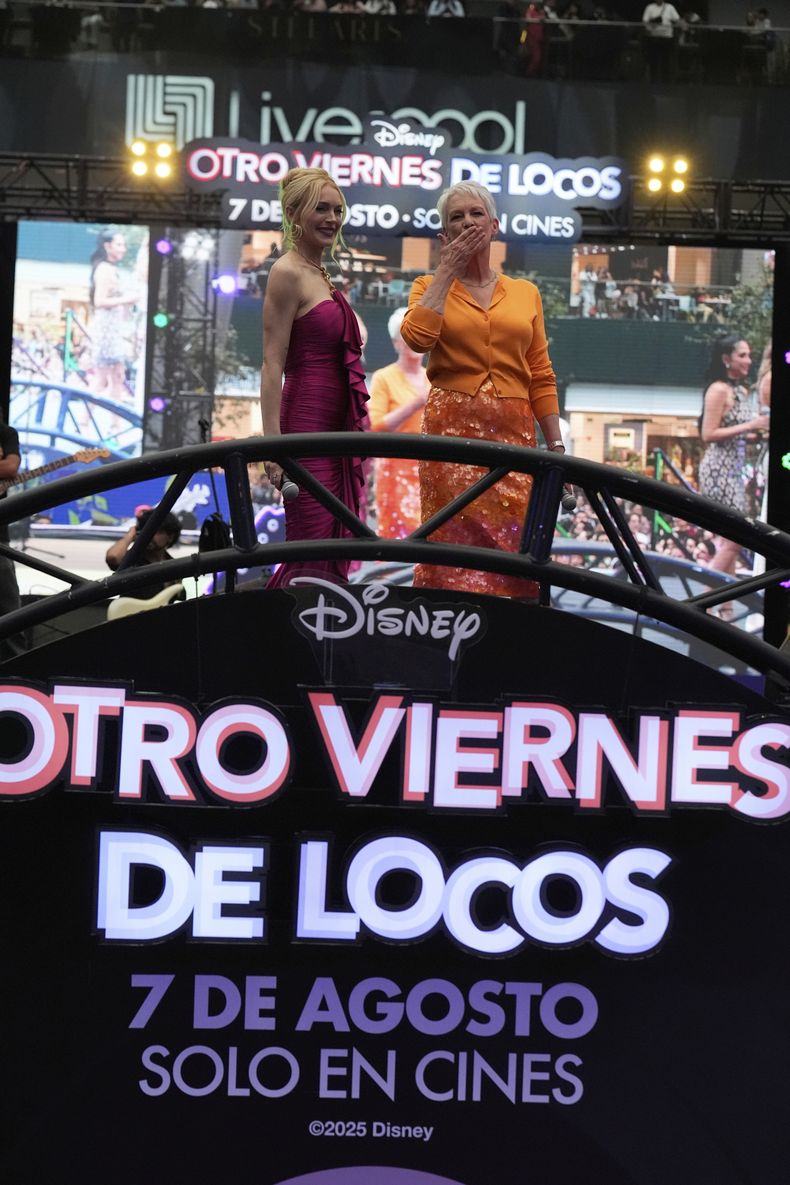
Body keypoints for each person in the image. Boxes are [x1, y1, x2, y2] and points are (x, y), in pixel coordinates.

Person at [400, 180, 564, 598]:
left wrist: (556, 448)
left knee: (518, 545)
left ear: (494, 227)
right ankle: (446, 630)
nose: (468, 222)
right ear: (444, 235)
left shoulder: (526, 293)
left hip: (515, 436)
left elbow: (541, 373)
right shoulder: (427, 286)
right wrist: (446, 272)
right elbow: (417, 340)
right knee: (451, 545)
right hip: (450, 438)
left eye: (476, 214)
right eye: (456, 216)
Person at [260, 167, 368, 588]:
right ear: (294, 213)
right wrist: (273, 449)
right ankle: (282, 641)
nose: (332, 218)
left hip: (336, 431)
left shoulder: (320, 272)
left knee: (334, 545)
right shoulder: (286, 271)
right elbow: (272, 364)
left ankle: (319, 643)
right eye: (320, 208)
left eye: (337, 209)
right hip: (305, 425)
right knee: (312, 543)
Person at [697, 335, 769, 574]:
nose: (748, 360)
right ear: (726, 359)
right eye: (742, 355)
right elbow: (709, 433)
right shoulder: (718, 390)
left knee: (730, 540)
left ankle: (724, 609)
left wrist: (757, 435)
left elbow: (734, 434)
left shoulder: (739, 390)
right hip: (719, 471)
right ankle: (707, 596)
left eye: (748, 354)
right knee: (735, 539)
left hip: (735, 471)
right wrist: (751, 426)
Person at [368, 307, 429, 538]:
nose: (413, 342)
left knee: (429, 534)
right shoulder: (384, 377)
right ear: (396, 342)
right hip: (394, 470)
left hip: (428, 468)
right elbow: (377, 425)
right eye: (407, 336)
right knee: (397, 535)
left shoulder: (432, 379)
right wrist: (415, 403)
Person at [89, 230, 138, 404]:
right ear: (107, 246)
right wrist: (127, 299)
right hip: (106, 328)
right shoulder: (104, 269)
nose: (123, 249)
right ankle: (84, 421)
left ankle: (114, 424)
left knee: (118, 376)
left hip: (114, 326)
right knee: (102, 377)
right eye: (119, 244)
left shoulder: (112, 269)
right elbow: (99, 301)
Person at [105, 508, 184, 601]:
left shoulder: (174, 565)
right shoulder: (132, 560)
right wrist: (130, 536)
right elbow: (113, 557)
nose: (149, 535)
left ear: (170, 537)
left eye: (156, 531)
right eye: (146, 529)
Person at [0, 413, 24, 661]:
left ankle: (17, 669)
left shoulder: (6, 433)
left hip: (0, 540)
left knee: (8, 609)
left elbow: (10, 468)